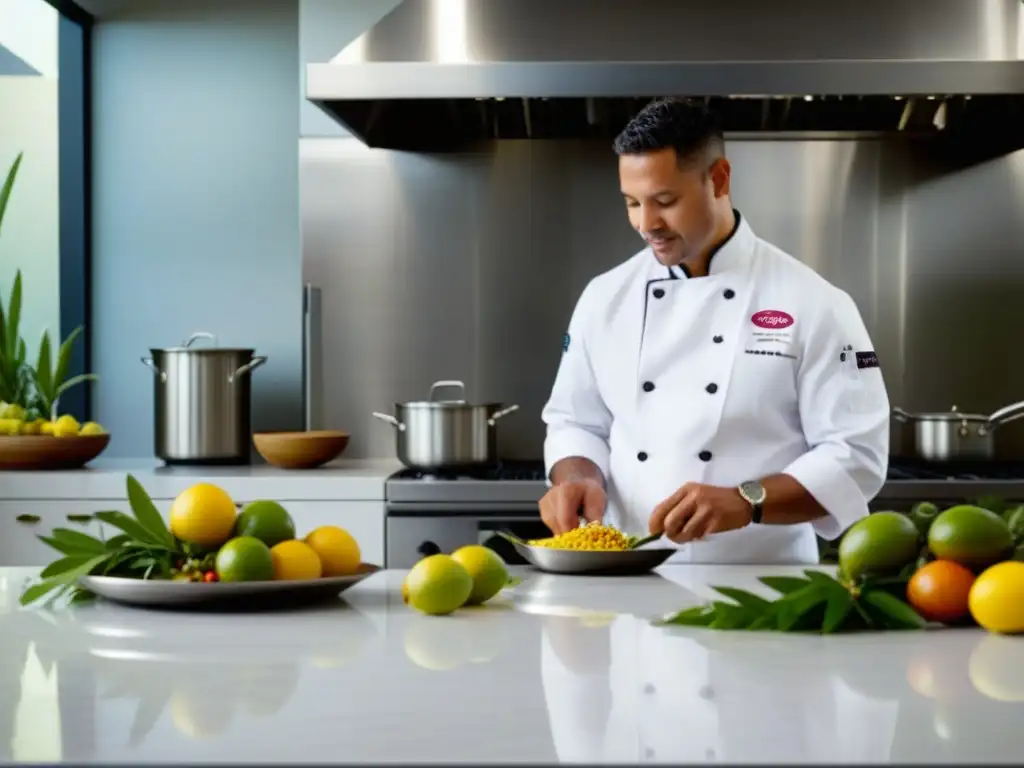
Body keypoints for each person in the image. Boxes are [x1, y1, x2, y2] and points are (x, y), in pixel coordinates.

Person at [539, 97, 890, 564]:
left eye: (665, 201)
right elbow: (575, 421)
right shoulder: (604, 298)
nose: (646, 225)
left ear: (719, 179)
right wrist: (577, 478)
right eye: (632, 203)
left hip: (762, 584)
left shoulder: (815, 302)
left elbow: (856, 455)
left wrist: (747, 500)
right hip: (626, 587)